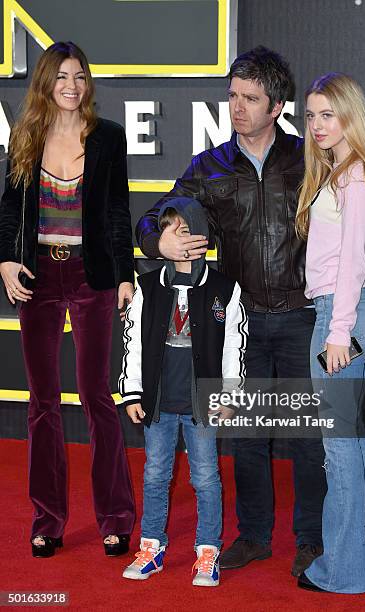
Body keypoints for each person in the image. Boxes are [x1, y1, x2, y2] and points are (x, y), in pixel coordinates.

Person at [136, 46, 328, 576]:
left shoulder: (310, 157)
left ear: (276, 107)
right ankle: (255, 536)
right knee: (246, 439)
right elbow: (153, 219)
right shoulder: (211, 166)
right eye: (232, 96)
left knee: (309, 440)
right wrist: (161, 245)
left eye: (250, 98)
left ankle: (311, 539)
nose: (236, 107)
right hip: (238, 327)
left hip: (301, 319)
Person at [0, 42, 135, 558]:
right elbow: (10, 208)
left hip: (91, 275)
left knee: (97, 397)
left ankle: (116, 517)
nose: (72, 86)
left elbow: (119, 211)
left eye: (79, 76)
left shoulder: (109, 138)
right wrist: (5, 260)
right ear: (45, 84)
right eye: (61, 77)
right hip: (37, 275)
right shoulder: (25, 137)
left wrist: (123, 275)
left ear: (88, 82)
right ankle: (48, 519)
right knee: (42, 403)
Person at [295, 72, 365, 593]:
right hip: (349, 311)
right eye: (311, 114)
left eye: (327, 114)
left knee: (337, 445)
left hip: (344, 316)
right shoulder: (343, 171)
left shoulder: (354, 176)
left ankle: (341, 571)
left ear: (349, 117)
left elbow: (347, 266)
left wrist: (337, 333)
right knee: (352, 439)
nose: (317, 125)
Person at [119, 197, 247, 586]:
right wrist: (132, 392)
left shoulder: (225, 288)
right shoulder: (147, 287)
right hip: (158, 401)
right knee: (155, 475)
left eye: (183, 228)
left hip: (202, 403)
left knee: (206, 477)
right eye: (167, 229)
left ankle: (208, 552)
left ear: (202, 237)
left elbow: (233, 345)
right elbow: (134, 342)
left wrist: (230, 394)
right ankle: (152, 547)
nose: (175, 237)